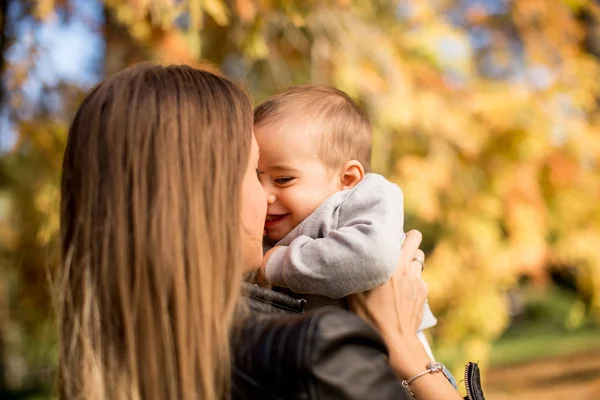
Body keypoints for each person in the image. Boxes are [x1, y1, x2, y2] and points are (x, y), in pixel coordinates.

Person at [57, 63, 477, 399]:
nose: (265, 197)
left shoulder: (128, 360)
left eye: (280, 179)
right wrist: (408, 356)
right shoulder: (314, 355)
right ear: (203, 195)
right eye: (252, 172)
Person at [254, 85, 437, 359]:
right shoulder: (270, 223)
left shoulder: (364, 198)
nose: (264, 195)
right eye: (256, 179)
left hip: (396, 370)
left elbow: (372, 258)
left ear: (347, 179)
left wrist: (278, 265)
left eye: (282, 179)